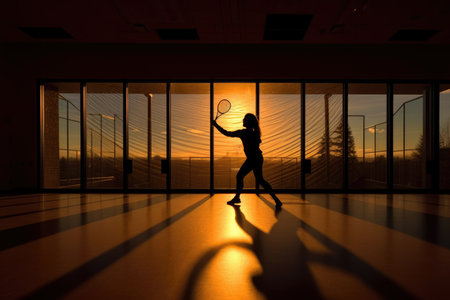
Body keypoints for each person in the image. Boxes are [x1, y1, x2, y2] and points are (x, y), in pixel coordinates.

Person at [212, 113, 282, 207]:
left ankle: (237, 197)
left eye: (245, 119)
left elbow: (227, 133)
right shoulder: (255, 132)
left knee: (240, 176)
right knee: (260, 179)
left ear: (248, 122)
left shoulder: (244, 132)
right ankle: (276, 199)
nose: (243, 120)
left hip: (253, 159)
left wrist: (215, 125)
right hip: (258, 158)